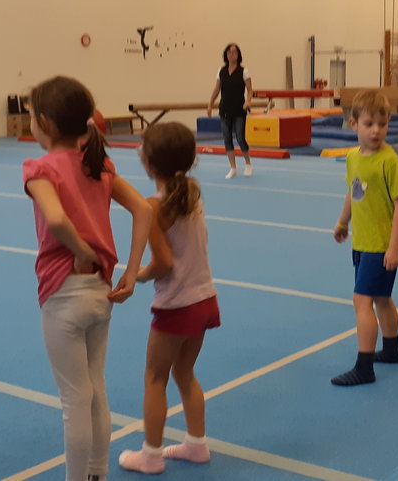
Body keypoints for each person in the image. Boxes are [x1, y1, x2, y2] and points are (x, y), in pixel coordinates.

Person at [23, 76, 153, 481]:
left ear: (45, 123)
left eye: (31, 117)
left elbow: (56, 219)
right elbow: (144, 209)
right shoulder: (99, 163)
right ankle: (98, 473)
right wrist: (131, 270)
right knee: (96, 387)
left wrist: (80, 250)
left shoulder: (40, 168)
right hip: (101, 292)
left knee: (74, 399)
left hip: (63, 293)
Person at [117, 123, 219, 475]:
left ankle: (151, 455)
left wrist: (139, 275)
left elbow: (163, 262)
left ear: (149, 163)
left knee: (154, 378)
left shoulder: (153, 206)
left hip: (177, 304)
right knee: (185, 372)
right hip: (204, 298)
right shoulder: (191, 192)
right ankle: (196, 444)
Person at [331, 90, 398, 386]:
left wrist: (394, 247)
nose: (376, 130)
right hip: (362, 242)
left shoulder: (389, 161)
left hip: (380, 246)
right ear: (354, 124)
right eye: (369, 124)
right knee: (381, 298)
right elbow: (354, 191)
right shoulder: (353, 158)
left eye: (382, 124)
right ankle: (391, 350)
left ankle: (364, 368)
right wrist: (343, 221)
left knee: (361, 301)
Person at [206, 43, 254, 179]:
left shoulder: (244, 71)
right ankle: (233, 167)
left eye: (234, 52)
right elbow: (217, 89)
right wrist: (210, 104)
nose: (231, 54)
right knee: (227, 138)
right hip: (225, 109)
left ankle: (248, 164)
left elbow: (250, 90)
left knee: (240, 137)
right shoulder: (221, 71)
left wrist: (248, 101)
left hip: (239, 109)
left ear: (238, 55)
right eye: (229, 52)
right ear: (225, 55)